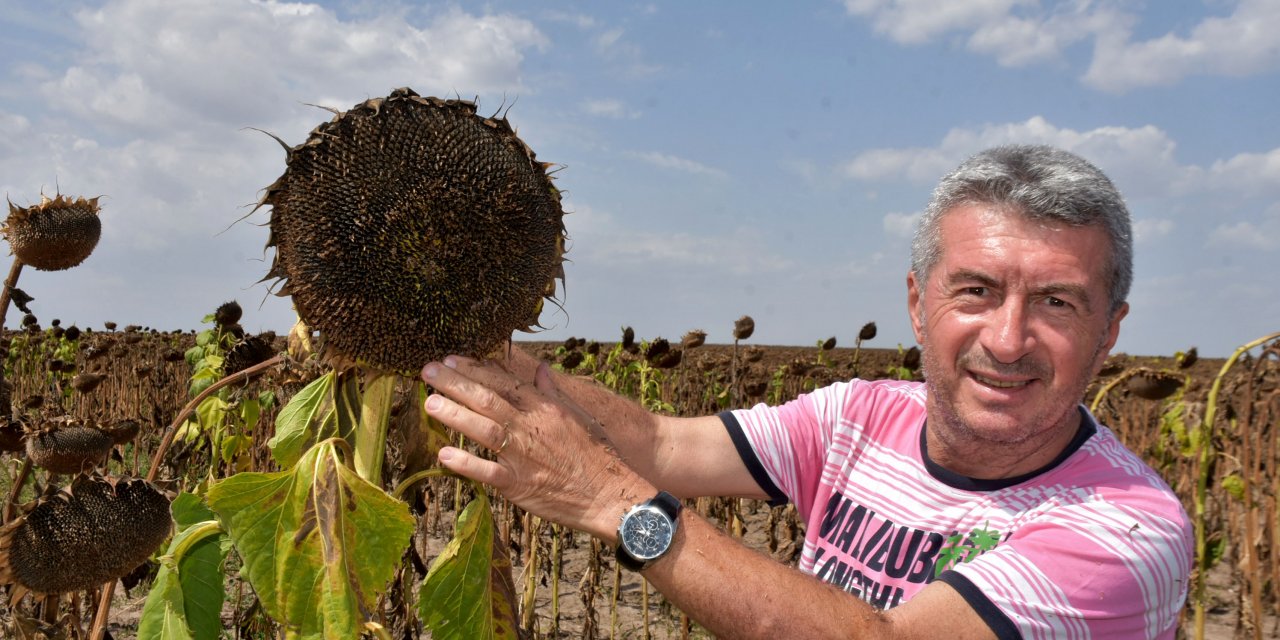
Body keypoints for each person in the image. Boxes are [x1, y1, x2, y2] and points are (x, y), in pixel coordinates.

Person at [420, 144, 1193, 639]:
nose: (1008, 338)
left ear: (1110, 330)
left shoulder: (1125, 532)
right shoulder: (864, 415)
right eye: (977, 291)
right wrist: (479, 355)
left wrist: (609, 504)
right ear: (919, 303)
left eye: (1057, 302)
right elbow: (661, 444)